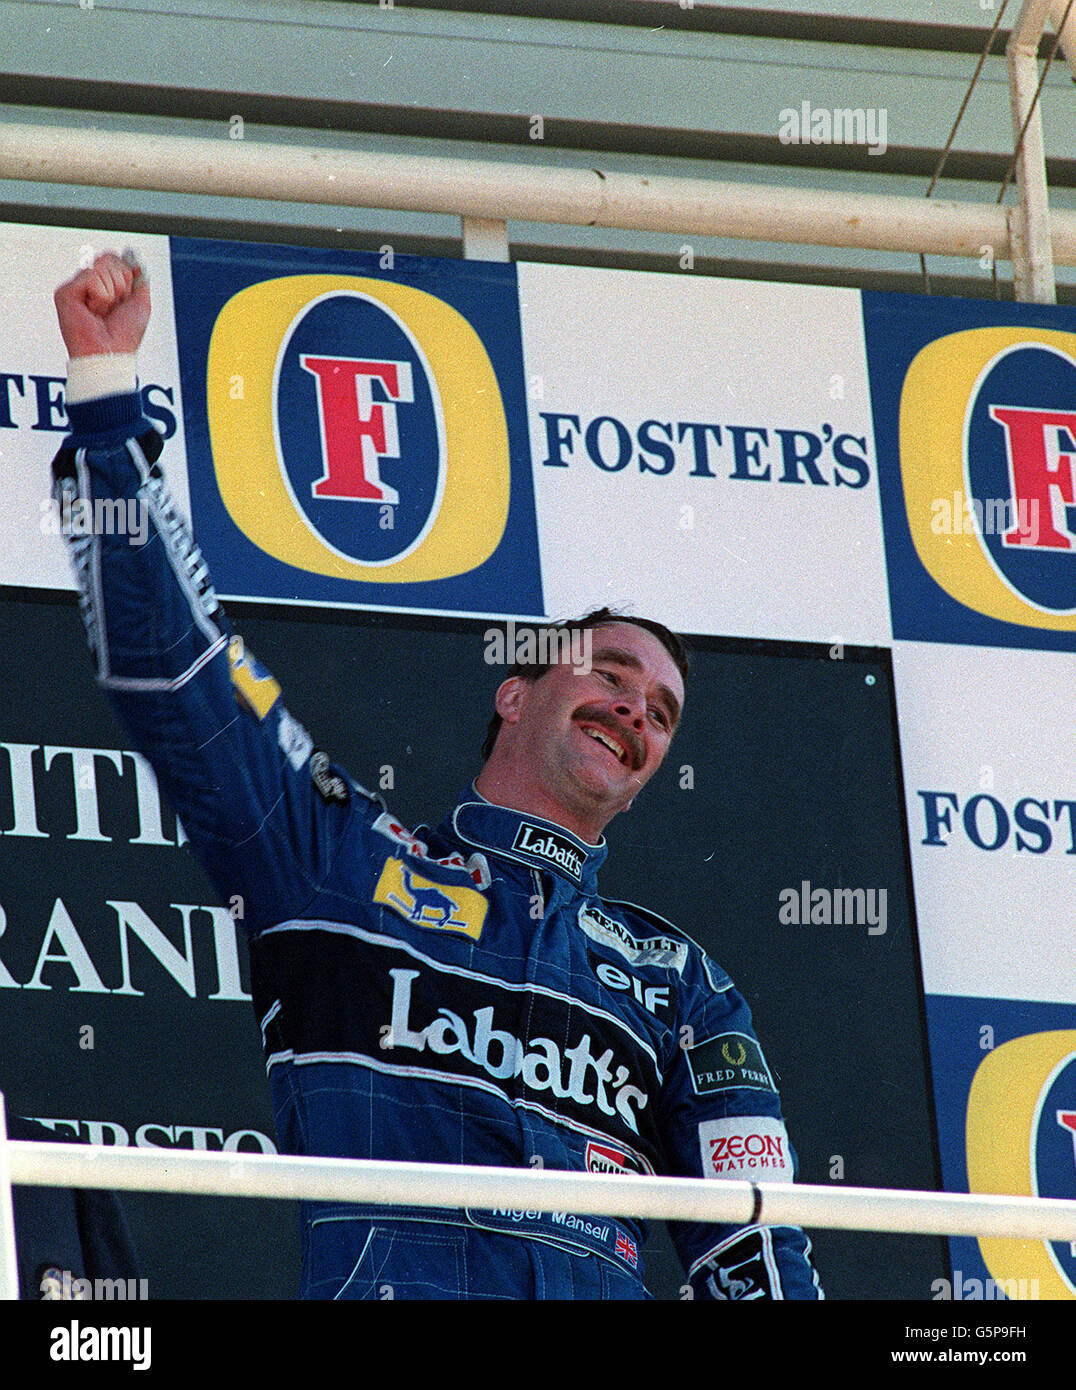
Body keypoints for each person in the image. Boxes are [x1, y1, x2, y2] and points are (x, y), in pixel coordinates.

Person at [49, 250, 823, 1300]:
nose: (635, 707)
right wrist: (104, 404)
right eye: (607, 669)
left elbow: (756, 1244)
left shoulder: (681, 981)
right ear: (513, 692)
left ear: (646, 776)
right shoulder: (343, 865)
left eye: (661, 712)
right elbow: (176, 676)